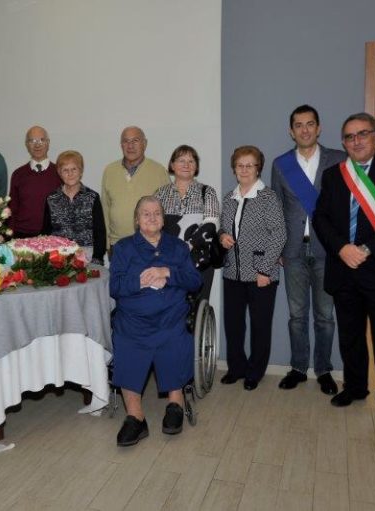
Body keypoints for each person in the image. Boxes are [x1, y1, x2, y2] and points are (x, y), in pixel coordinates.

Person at [313, 112, 375, 431]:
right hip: (344, 268)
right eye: (348, 137)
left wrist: (367, 249)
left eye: (361, 134)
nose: (355, 141)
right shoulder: (333, 175)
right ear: (343, 142)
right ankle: (355, 388)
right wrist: (342, 248)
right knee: (350, 335)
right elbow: (321, 219)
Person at [110, 196, 202, 446]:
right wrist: (140, 280)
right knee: (127, 343)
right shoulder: (123, 248)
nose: (152, 217)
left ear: (163, 219)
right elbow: (115, 287)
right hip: (134, 321)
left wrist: (167, 272)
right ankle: (135, 417)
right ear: (136, 220)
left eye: (157, 213)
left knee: (175, 340)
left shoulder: (178, 247)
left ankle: (175, 403)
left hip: (170, 317)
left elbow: (195, 281)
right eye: (145, 213)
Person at [271, 105, 346, 395]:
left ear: (319, 128)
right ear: (291, 131)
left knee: (325, 316)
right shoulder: (280, 164)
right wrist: (278, 246)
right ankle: (298, 368)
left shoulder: (338, 160)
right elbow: (277, 208)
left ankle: (324, 370)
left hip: (328, 250)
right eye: (298, 125)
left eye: (310, 124)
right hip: (292, 252)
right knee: (296, 315)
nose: (304, 129)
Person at [219, 146, 287, 391]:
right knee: (234, 325)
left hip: (261, 274)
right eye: (240, 165)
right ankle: (236, 368)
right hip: (232, 272)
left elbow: (279, 234)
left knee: (260, 326)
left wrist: (265, 270)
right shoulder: (228, 198)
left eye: (250, 165)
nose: (244, 169)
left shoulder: (268, 197)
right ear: (234, 169)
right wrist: (222, 237)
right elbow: (222, 229)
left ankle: (254, 372)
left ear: (258, 168)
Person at [155, 144, 220, 300]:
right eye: (181, 160)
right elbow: (153, 225)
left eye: (191, 161)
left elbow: (212, 223)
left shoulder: (207, 191)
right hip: (168, 262)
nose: (186, 165)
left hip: (199, 261)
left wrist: (187, 246)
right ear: (172, 165)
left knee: (197, 307)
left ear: (196, 166)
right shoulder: (160, 193)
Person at [101, 126, 170, 251]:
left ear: (145, 143)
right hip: (118, 245)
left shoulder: (159, 171)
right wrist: (106, 243)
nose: (130, 146)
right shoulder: (110, 171)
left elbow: (168, 211)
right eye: (126, 141)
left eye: (135, 141)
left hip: (151, 244)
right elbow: (105, 209)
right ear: (121, 145)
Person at [42, 150, 107, 265]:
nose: (70, 174)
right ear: (59, 173)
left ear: (81, 171)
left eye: (74, 169)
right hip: (57, 256)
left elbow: (99, 232)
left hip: (87, 255)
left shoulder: (92, 197)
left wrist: (97, 259)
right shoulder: (51, 198)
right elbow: (46, 232)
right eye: (65, 170)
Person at [7, 126, 61, 238]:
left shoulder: (60, 173)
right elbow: (12, 208)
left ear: (48, 143)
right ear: (27, 144)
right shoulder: (18, 174)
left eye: (42, 140)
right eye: (32, 140)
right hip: (22, 236)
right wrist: (9, 236)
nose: (37, 144)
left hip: (53, 237)